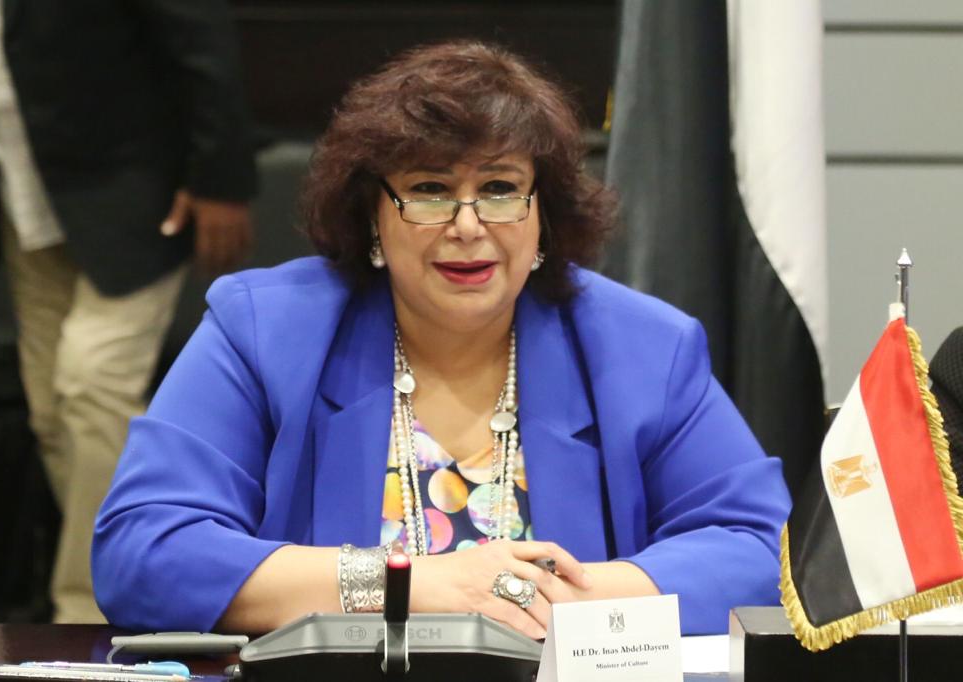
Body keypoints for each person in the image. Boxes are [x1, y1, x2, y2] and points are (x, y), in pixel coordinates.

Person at [93, 40, 790, 637]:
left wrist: (560, 598)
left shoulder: (644, 347)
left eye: (501, 187)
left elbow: (766, 551)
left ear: (544, 214)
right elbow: (142, 550)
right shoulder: (266, 331)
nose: (468, 225)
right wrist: (409, 586)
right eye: (429, 189)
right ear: (372, 214)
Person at [0, 1, 257, 622]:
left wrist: (222, 180)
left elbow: (200, 37)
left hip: (138, 195)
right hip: (22, 194)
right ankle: (134, 579)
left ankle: (90, 610)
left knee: (92, 384)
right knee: (51, 411)